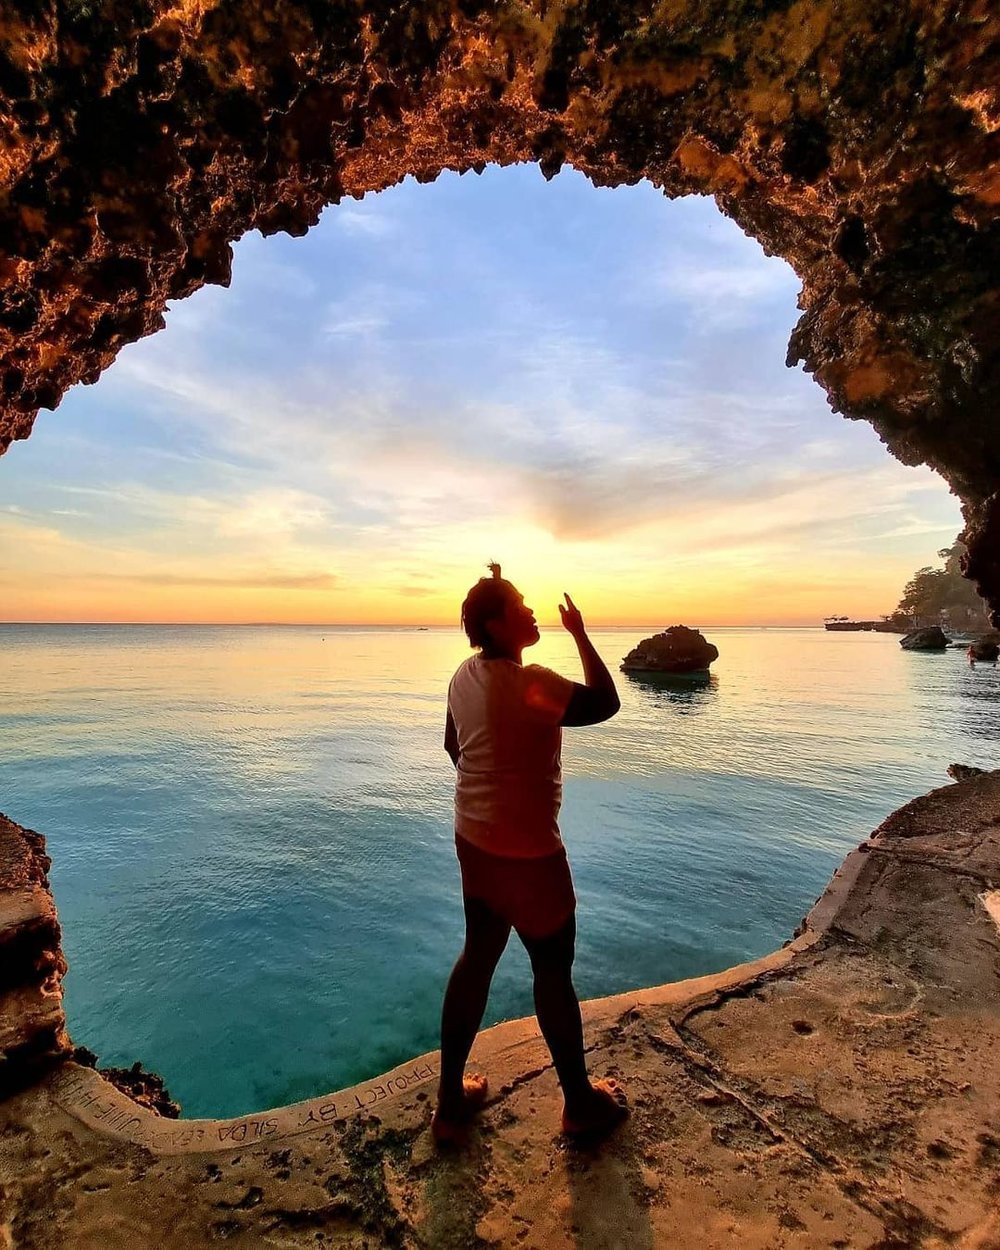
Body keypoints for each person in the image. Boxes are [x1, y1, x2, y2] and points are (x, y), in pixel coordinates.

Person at [432, 562, 628, 1144]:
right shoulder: (531, 685)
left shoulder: (463, 676)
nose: (532, 611)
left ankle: (449, 1106)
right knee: (552, 972)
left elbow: (453, 746)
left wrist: (493, 785)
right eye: (520, 605)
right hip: (531, 856)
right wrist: (580, 634)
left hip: (474, 839)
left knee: (477, 958)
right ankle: (580, 1104)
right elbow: (606, 702)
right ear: (496, 623)